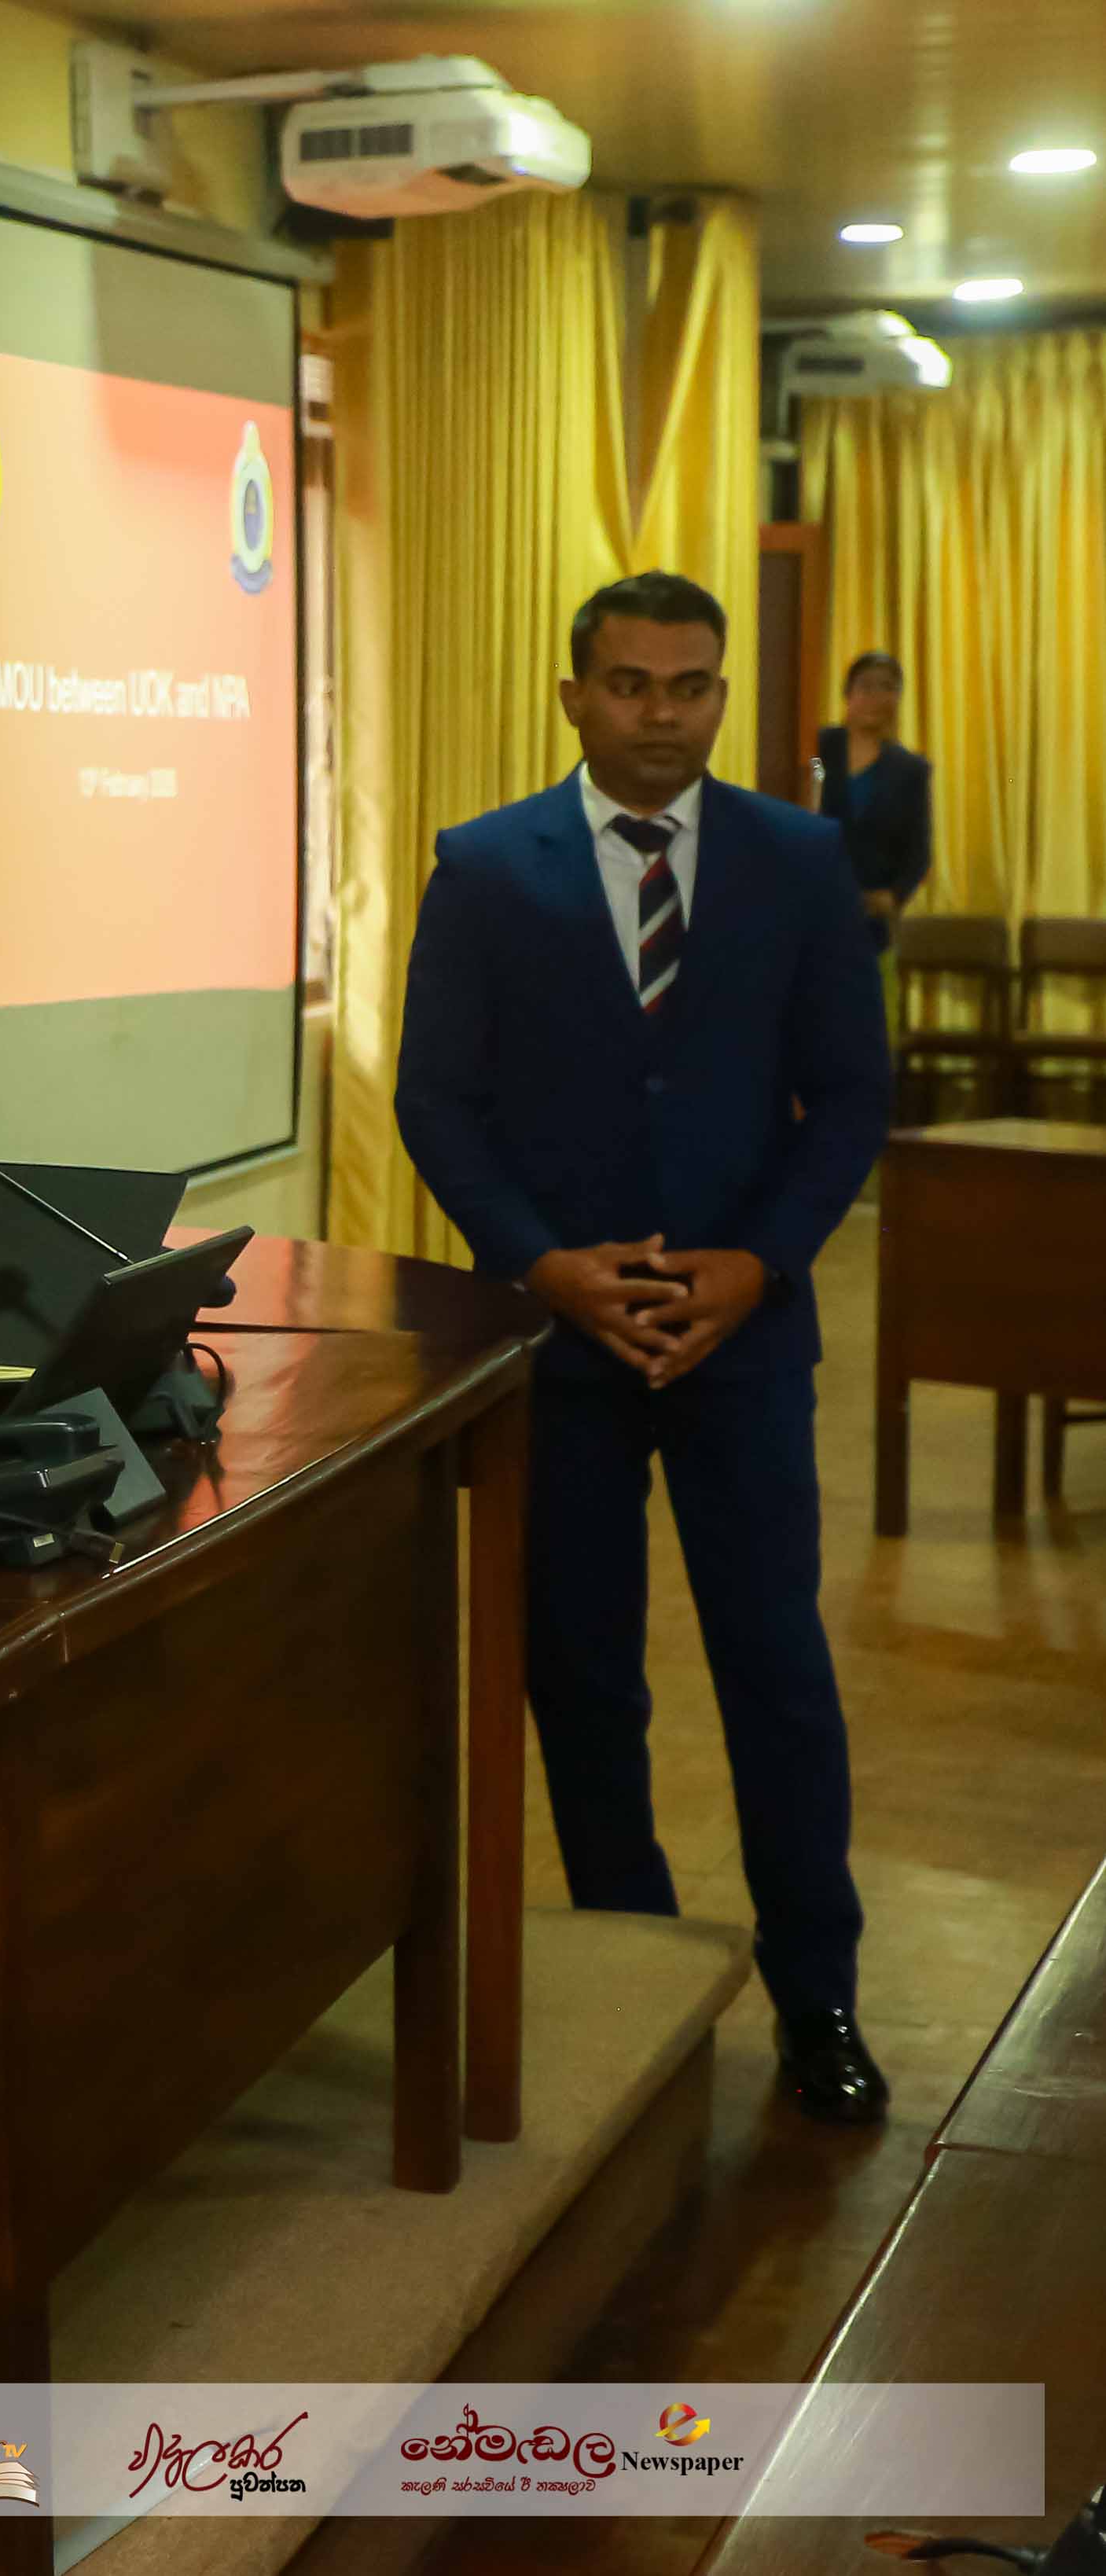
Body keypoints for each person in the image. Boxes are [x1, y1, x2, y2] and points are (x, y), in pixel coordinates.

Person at [395, 570, 895, 2126]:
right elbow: (436, 1100)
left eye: (690, 686)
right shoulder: (486, 868)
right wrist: (543, 1267)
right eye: (629, 684)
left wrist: (761, 1262)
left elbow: (852, 1094)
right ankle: (638, 1973)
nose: (661, 714)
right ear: (574, 696)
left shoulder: (798, 861)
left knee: (776, 1670)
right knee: (581, 1677)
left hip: (742, 1338)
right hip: (563, 1348)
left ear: (722, 696)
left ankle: (817, 1991)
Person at [814, 650, 935, 954]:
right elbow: (804, 795)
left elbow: (919, 850)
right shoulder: (818, 749)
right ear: (848, 694)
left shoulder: (911, 770)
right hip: (813, 908)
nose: (877, 697)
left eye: (888, 687)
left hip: (871, 921)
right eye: (866, 686)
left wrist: (893, 897)